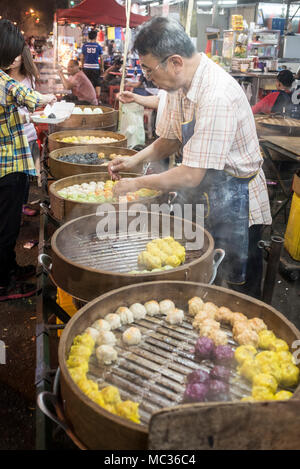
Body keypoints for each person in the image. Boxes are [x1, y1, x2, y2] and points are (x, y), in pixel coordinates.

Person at [108, 17, 272, 299]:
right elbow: (170, 140)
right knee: (197, 271)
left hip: (236, 201)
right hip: (203, 194)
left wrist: (135, 185)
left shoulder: (216, 95)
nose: (147, 77)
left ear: (175, 62)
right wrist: (133, 162)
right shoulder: (178, 86)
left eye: (148, 69)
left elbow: (189, 175)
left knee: (232, 288)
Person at [0, 19, 56, 301]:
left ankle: (9, 268)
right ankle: (3, 283)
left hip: (9, 163)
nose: (19, 56)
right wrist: (52, 97)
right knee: (7, 227)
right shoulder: (4, 82)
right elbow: (34, 98)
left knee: (6, 223)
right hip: (6, 167)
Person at [5, 45, 42, 217]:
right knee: (11, 177)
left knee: (25, 175)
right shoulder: (3, 78)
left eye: (17, 56)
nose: (14, 59)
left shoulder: (29, 78)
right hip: (9, 135)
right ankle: (12, 210)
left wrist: (35, 114)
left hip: (27, 133)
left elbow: (32, 105)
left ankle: (21, 205)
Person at [80, 30, 103, 101]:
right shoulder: (98, 46)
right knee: (97, 83)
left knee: (87, 83)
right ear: (96, 37)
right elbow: (101, 58)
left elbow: (82, 57)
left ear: (88, 37)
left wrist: (82, 66)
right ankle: (97, 99)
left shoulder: (85, 46)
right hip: (95, 67)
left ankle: (86, 99)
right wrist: (102, 67)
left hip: (86, 67)